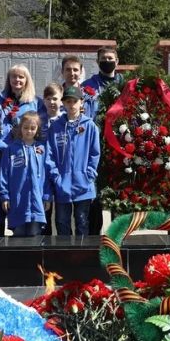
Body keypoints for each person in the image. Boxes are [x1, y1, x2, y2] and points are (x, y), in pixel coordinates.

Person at [47, 86, 101, 236]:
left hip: (83, 185)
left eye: (75, 101)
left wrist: (88, 175)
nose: (71, 105)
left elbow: (95, 154)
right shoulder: (56, 127)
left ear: (81, 102)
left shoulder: (89, 126)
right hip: (62, 184)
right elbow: (49, 155)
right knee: (62, 222)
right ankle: (64, 257)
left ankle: (81, 257)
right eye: (68, 101)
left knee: (82, 222)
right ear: (63, 103)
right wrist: (56, 178)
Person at [82, 46, 123, 234]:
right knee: (95, 194)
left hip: (120, 147)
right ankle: (93, 237)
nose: (107, 61)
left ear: (117, 61)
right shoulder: (87, 86)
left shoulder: (126, 84)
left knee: (119, 193)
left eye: (110, 58)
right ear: (97, 62)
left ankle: (118, 237)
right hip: (96, 146)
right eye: (104, 58)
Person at [0, 112, 52, 236]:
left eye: (33, 128)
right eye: (26, 128)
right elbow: (3, 174)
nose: (29, 131)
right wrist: (4, 196)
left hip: (36, 202)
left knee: (35, 237)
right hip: (18, 202)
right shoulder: (11, 149)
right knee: (18, 237)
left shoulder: (42, 149)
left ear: (37, 129)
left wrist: (47, 197)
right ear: (20, 128)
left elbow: (47, 175)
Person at [0, 64, 46, 141]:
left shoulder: (37, 103)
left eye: (21, 77)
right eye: (14, 76)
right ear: (9, 79)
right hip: (2, 146)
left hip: (24, 146)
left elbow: (42, 128)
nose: (17, 79)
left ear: (26, 80)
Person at [40, 82, 64, 235]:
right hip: (43, 172)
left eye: (55, 98)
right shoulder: (38, 120)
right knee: (45, 210)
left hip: (60, 169)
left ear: (61, 100)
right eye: (48, 99)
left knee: (62, 215)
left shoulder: (65, 120)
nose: (52, 102)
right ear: (44, 101)